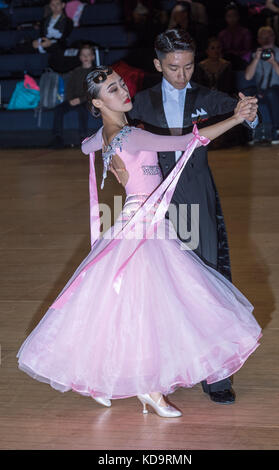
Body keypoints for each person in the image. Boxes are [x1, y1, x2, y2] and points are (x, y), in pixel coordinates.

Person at [16, 66, 262, 418]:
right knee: (149, 305)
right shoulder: (129, 136)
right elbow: (187, 142)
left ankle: (107, 381)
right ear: (97, 103)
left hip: (135, 219)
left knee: (121, 305)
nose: (123, 91)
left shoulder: (106, 134)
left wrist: (106, 149)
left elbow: (87, 145)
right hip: (144, 226)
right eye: (113, 90)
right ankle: (148, 389)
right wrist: (236, 119)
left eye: (120, 84)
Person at [128, 29, 259, 404]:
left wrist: (248, 113)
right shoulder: (139, 102)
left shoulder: (208, 97)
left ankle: (217, 376)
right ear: (157, 65)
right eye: (173, 68)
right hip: (154, 199)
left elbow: (247, 117)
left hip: (196, 197)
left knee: (208, 280)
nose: (182, 75)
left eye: (187, 66)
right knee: (160, 284)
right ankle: (163, 370)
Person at [245, 26, 279, 143]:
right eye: (262, 36)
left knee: (271, 93)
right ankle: (248, 132)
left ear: (273, 37)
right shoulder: (255, 54)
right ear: (258, 39)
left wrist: (273, 62)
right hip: (261, 90)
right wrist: (256, 59)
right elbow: (248, 77)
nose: (266, 39)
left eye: (268, 35)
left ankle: (275, 130)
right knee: (245, 94)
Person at [49, 44, 95, 149]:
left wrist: (81, 99)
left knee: (83, 110)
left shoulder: (94, 72)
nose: (86, 57)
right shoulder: (76, 71)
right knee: (59, 109)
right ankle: (57, 137)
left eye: (88, 55)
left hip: (87, 100)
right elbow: (69, 87)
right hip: (74, 99)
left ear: (93, 57)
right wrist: (70, 100)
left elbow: (93, 91)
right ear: (80, 57)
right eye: (83, 55)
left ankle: (83, 137)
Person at [218, 3, 252, 70]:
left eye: (234, 16)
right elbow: (220, 51)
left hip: (241, 61)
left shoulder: (245, 32)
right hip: (225, 61)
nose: (232, 19)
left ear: (238, 17)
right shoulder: (222, 34)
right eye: (229, 16)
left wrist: (236, 54)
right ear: (225, 18)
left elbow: (248, 50)